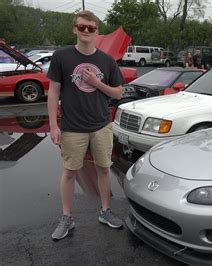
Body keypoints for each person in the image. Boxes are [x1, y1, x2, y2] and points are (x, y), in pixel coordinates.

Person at [47, 10, 124, 240]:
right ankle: (67, 218)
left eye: (91, 28)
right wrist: (53, 125)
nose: (86, 31)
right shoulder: (62, 57)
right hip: (72, 127)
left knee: (103, 169)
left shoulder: (107, 60)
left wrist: (96, 82)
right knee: (70, 172)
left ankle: (105, 211)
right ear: (75, 29)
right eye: (82, 27)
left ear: (97, 31)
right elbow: (53, 92)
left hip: (101, 125)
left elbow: (118, 93)